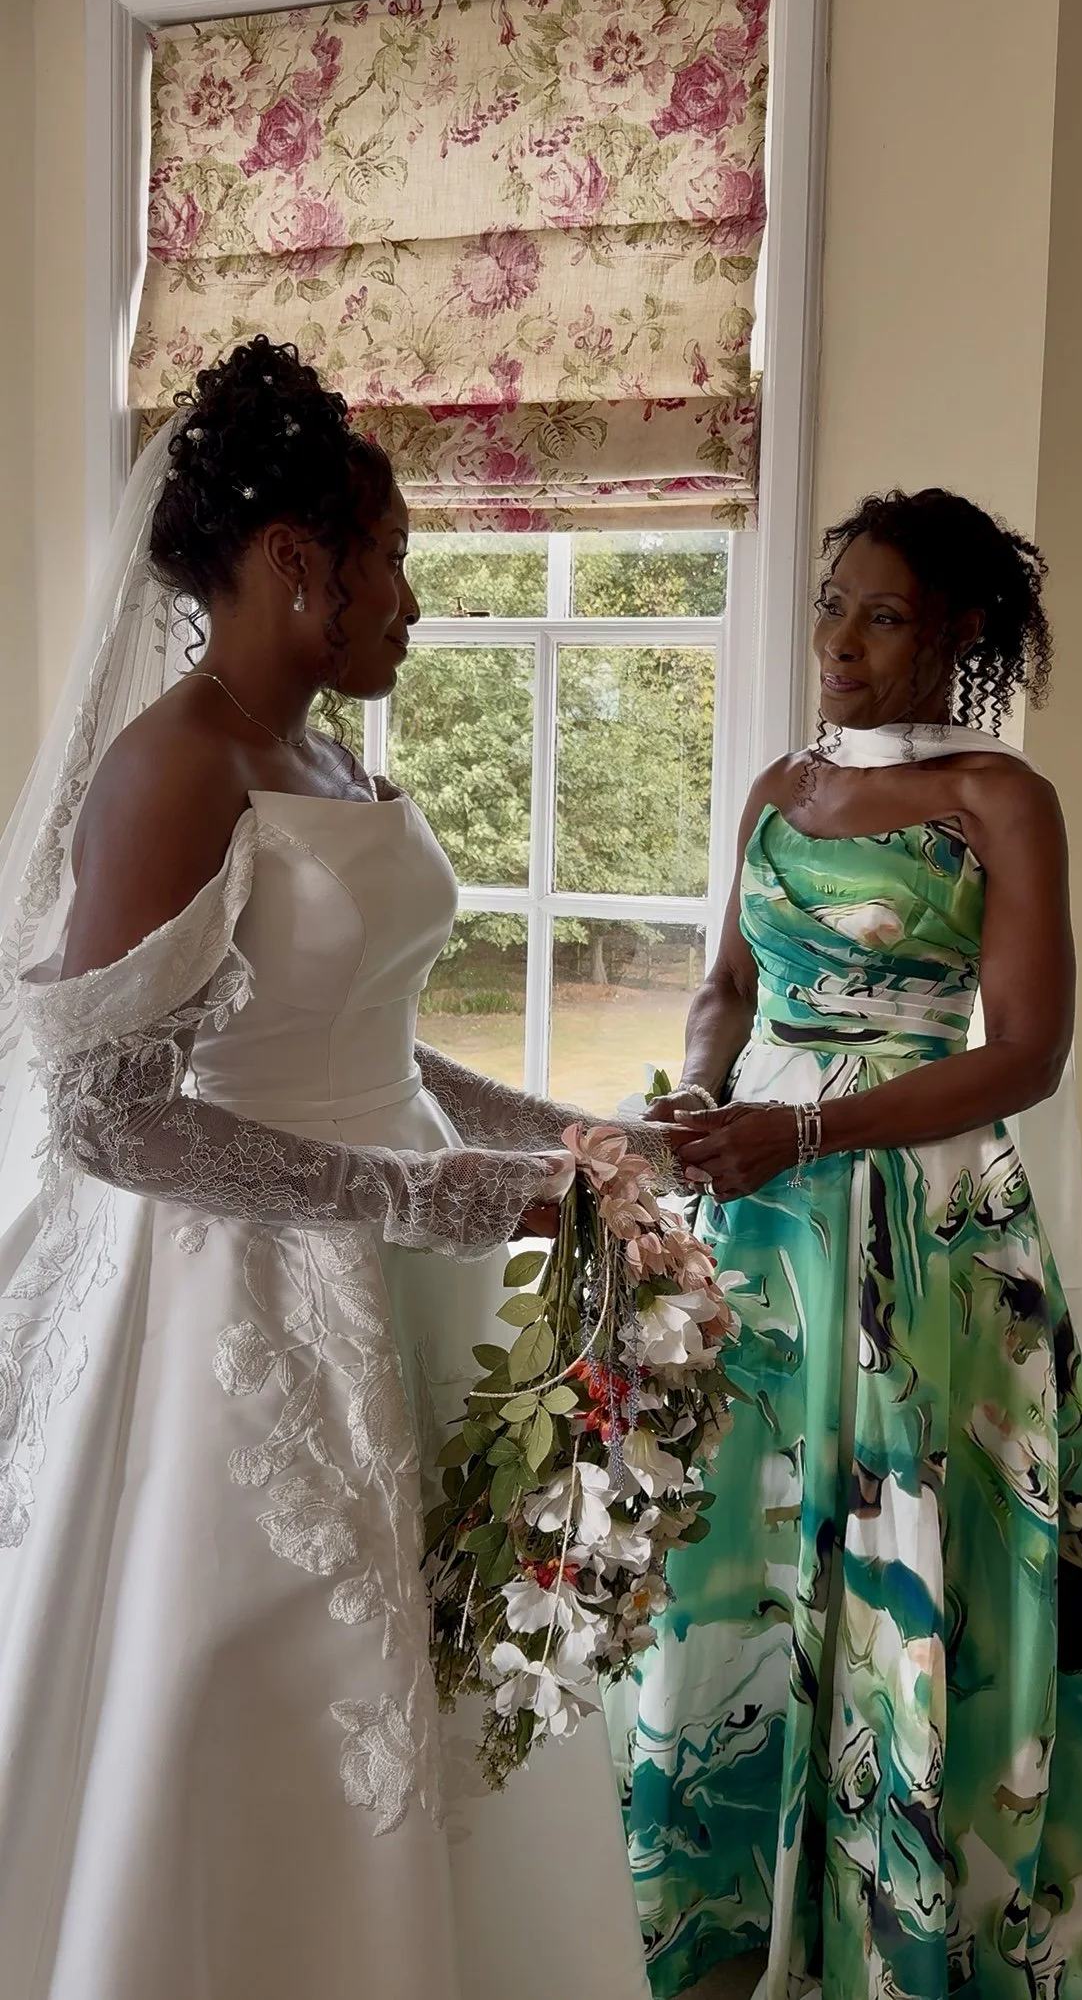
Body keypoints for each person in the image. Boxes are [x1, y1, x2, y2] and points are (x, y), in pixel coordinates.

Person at [0, 338, 674, 2000]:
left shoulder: (322, 754)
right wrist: (436, 1197)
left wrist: (565, 1135)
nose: (414, 604)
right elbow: (104, 1115)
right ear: (300, 563)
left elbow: (370, 1046)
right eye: (396, 566)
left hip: (404, 1273)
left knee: (452, 1676)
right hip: (244, 1314)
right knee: (267, 1693)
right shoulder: (177, 765)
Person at [613, 490, 1082, 1996]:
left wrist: (808, 1132)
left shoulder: (1000, 798)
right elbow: (726, 982)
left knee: (903, 1550)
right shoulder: (775, 789)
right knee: (736, 1554)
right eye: (826, 607)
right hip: (763, 1215)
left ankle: (910, 1915)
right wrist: (703, 1083)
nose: (838, 645)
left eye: (879, 616)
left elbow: (1029, 1055)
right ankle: (737, 1906)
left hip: (920, 1220)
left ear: (958, 633)